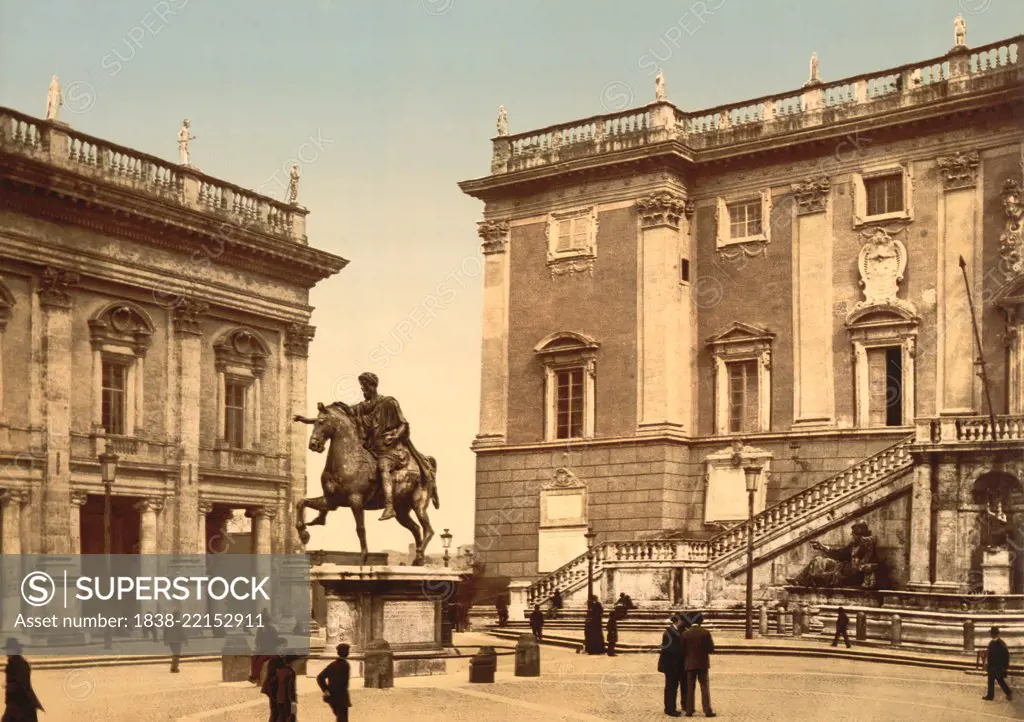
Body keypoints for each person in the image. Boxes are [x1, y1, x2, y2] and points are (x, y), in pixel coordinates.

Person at [350, 372, 436, 521]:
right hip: (372, 450)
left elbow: (403, 424)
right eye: (361, 387)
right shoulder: (362, 407)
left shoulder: (389, 402)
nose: (363, 391)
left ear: (372, 386)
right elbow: (342, 415)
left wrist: (396, 436)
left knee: (383, 466)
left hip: (392, 451)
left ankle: (389, 507)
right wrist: (317, 418)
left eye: (364, 387)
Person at [681, 613, 716, 718]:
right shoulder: (705, 633)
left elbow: (682, 650)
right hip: (702, 663)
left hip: (689, 663)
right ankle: (707, 710)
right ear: (701, 621)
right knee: (704, 687)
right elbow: (711, 649)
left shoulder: (685, 634)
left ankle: (689, 710)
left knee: (690, 688)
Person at [3, 639, 42, 722]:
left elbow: (22, 683)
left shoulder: (20, 664)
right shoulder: (14, 663)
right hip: (17, 702)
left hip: (22, 702)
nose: (7, 653)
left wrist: (10, 687)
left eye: (8, 650)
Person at [657, 614, 685, 717]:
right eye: (681, 621)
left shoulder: (677, 631)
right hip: (670, 666)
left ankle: (671, 707)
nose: (683, 622)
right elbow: (670, 650)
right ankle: (669, 709)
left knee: (673, 687)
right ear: (677, 621)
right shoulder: (668, 633)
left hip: (675, 665)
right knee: (671, 687)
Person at [317, 643, 352, 721]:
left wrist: (326, 690)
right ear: (347, 653)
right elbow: (343, 683)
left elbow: (320, 677)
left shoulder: (332, 664)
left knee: (339, 718)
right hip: (341, 697)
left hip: (332, 697)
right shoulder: (345, 665)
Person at [260, 639, 288, 721]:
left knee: (278, 711)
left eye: (285, 646)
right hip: (273, 689)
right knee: (275, 711)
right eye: (283, 646)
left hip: (277, 688)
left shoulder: (281, 657)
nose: (284, 648)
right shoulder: (274, 658)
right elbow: (271, 674)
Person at [983, 626, 1013, 701]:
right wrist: (986, 663)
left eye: (993, 633)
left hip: (999, 666)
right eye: (991, 633)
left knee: (1000, 680)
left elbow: (1006, 656)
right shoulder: (991, 643)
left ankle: (1008, 693)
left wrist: (1005, 667)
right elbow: (989, 654)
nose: (991, 635)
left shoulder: (1001, 643)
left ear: (996, 634)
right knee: (990, 680)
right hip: (992, 665)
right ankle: (990, 696)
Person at [251, 609, 280, 683]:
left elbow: (275, 641)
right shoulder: (260, 630)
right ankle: (254, 675)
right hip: (263, 650)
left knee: (260, 660)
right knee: (254, 658)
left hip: (271, 651)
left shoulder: (272, 629)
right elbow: (257, 640)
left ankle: (256, 676)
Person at [163, 608, 187, 673]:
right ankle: (174, 667)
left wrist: (165, 640)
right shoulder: (179, 623)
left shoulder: (168, 622)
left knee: (175, 654)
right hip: (177, 641)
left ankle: (174, 667)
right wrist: (185, 640)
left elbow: (165, 632)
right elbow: (182, 632)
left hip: (171, 641)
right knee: (177, 654)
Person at [275, 655, 298, 722]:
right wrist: (293, 700)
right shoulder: (291, 672)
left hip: (279, 698)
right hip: (287, 699)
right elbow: (290, 688)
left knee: (281, 717)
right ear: (291, 662)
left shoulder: (279, 671)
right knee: (290, 717)